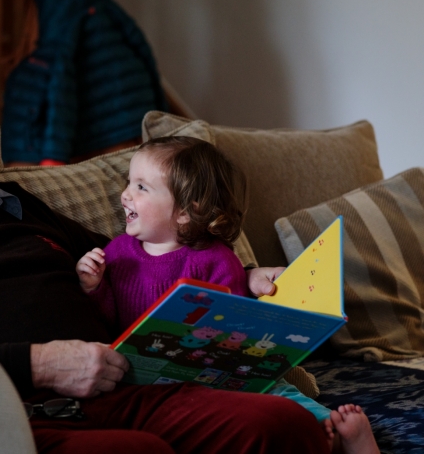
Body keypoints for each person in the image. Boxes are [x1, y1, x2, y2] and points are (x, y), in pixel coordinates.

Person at [0, 61, 332, 453]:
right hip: (16, 414)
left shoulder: (17, 205)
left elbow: (129, 263)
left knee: (283, 424)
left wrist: (242, 280)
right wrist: (38, 364)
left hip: (128, 388)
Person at [76, 136, 379, 454]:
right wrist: (93, 286)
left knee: (276, 390)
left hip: (213, 371)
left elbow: (237, 322)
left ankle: (336, 429)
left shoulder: (216, 259)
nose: (126, 194)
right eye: (129, 182)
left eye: (141, 187)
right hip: (145, 379)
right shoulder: (117, 252)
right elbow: (106, 319)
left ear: (184, 212)